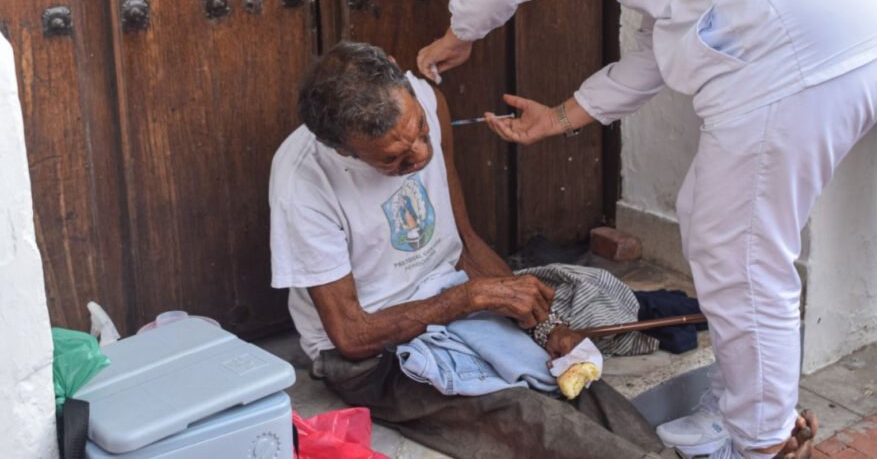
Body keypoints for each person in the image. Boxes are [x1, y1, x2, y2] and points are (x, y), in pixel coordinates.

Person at [417, 0, 877, 459]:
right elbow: (657, 46)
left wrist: (462, 29)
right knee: (713, 224)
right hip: (827, 51)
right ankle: (735, 410)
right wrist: (559, 117)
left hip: (800, 58)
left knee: (743, 253)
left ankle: (760, 440)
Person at [268, 40, 676, 459]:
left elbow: (461, 240)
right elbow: (352, 336)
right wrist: (468, 297)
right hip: (375, 356)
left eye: (422, 133)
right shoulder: (303, 182)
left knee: (567, 373)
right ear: (342, 149)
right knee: (522, 414)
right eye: (394, 160)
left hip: (453, 303)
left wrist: (543, 324)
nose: (421, 156)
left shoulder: (425, 96)